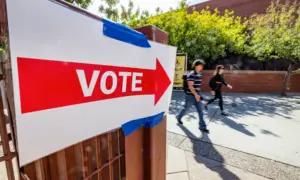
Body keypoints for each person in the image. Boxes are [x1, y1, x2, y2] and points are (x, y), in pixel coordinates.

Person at [176, 59, 209, 133]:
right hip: (190, 96)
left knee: (200, 111)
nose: (201, 67)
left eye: (202, 66)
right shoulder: (191, 74)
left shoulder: (199, 74)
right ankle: (178, 117)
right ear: (196, 66)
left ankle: (202, 126)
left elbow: (195, 85)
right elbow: (190, 86)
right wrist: (196, 95)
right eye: (200, 66)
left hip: (197, 95)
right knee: (185, 109)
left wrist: (198, 93)